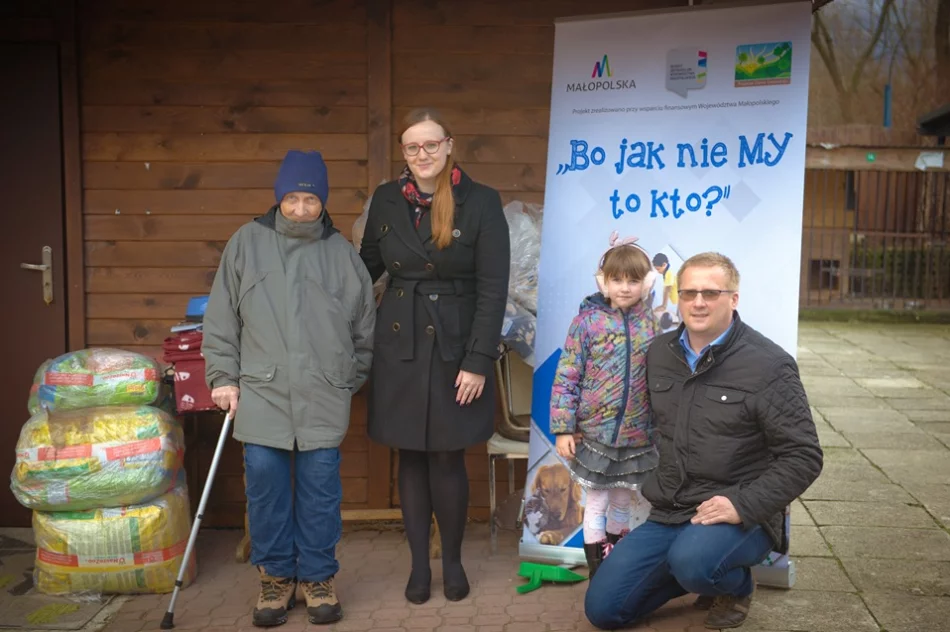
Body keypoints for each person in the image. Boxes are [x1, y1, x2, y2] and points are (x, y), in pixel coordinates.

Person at [584, 252, 823, 630]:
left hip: (737, 511)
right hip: (672, 509)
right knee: (604, 610)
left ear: (734, 298)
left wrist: (742, 504)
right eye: (689, 292)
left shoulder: (768, 364)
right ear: (677, 296)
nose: (698, 302)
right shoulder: (660, 354)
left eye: (711, 293)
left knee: (694, 562)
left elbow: (804, 456)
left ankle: (735, 584)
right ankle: (692, 569)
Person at [202, 150, 376, 628]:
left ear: (323, 201)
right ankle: (276, 579)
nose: (302, 209)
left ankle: (318, 578)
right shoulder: (246, 243)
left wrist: (344, 382)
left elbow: (365, 331)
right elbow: (220, 321)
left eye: (311, 199)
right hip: (261, 394)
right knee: (266, 489)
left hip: (322, 395)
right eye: (294, 198)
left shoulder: (341, 254)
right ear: (279, 197)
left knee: (320, 492)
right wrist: (222, 377)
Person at [359, 108, 510, 605]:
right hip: (399, 343)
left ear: (449, 145)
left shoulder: (482, 202)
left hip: (455, 344)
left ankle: (453, 563)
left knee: (447, 454)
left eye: (430, 144)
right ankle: (419, 567)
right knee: (410, 453)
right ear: (404, 153)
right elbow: (364, 271)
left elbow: (493, 289)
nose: (421, 154)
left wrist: (478, 359)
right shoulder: (386, 200)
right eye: (411, 147)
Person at [550, 242, 659, 578]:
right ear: (604, 283)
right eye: (617, 280)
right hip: (595, 434)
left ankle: (618, 569)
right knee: (596, 503)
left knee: (623, 502)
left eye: (633, 280)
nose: (624, 288)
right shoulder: (586, 323)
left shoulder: (650, 324)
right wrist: (563, 427)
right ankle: (599, 572)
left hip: (637, 435)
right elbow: (567, 375)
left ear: (647, 284)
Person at [652, 253, 679, 327]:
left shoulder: (669, 273)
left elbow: (667, 289)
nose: (658, 271)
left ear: (664, 265)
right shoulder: (667, 272)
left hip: (677, 301)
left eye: (658, 269)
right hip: (675, 300)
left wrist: (664, 305)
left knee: (677, 320)